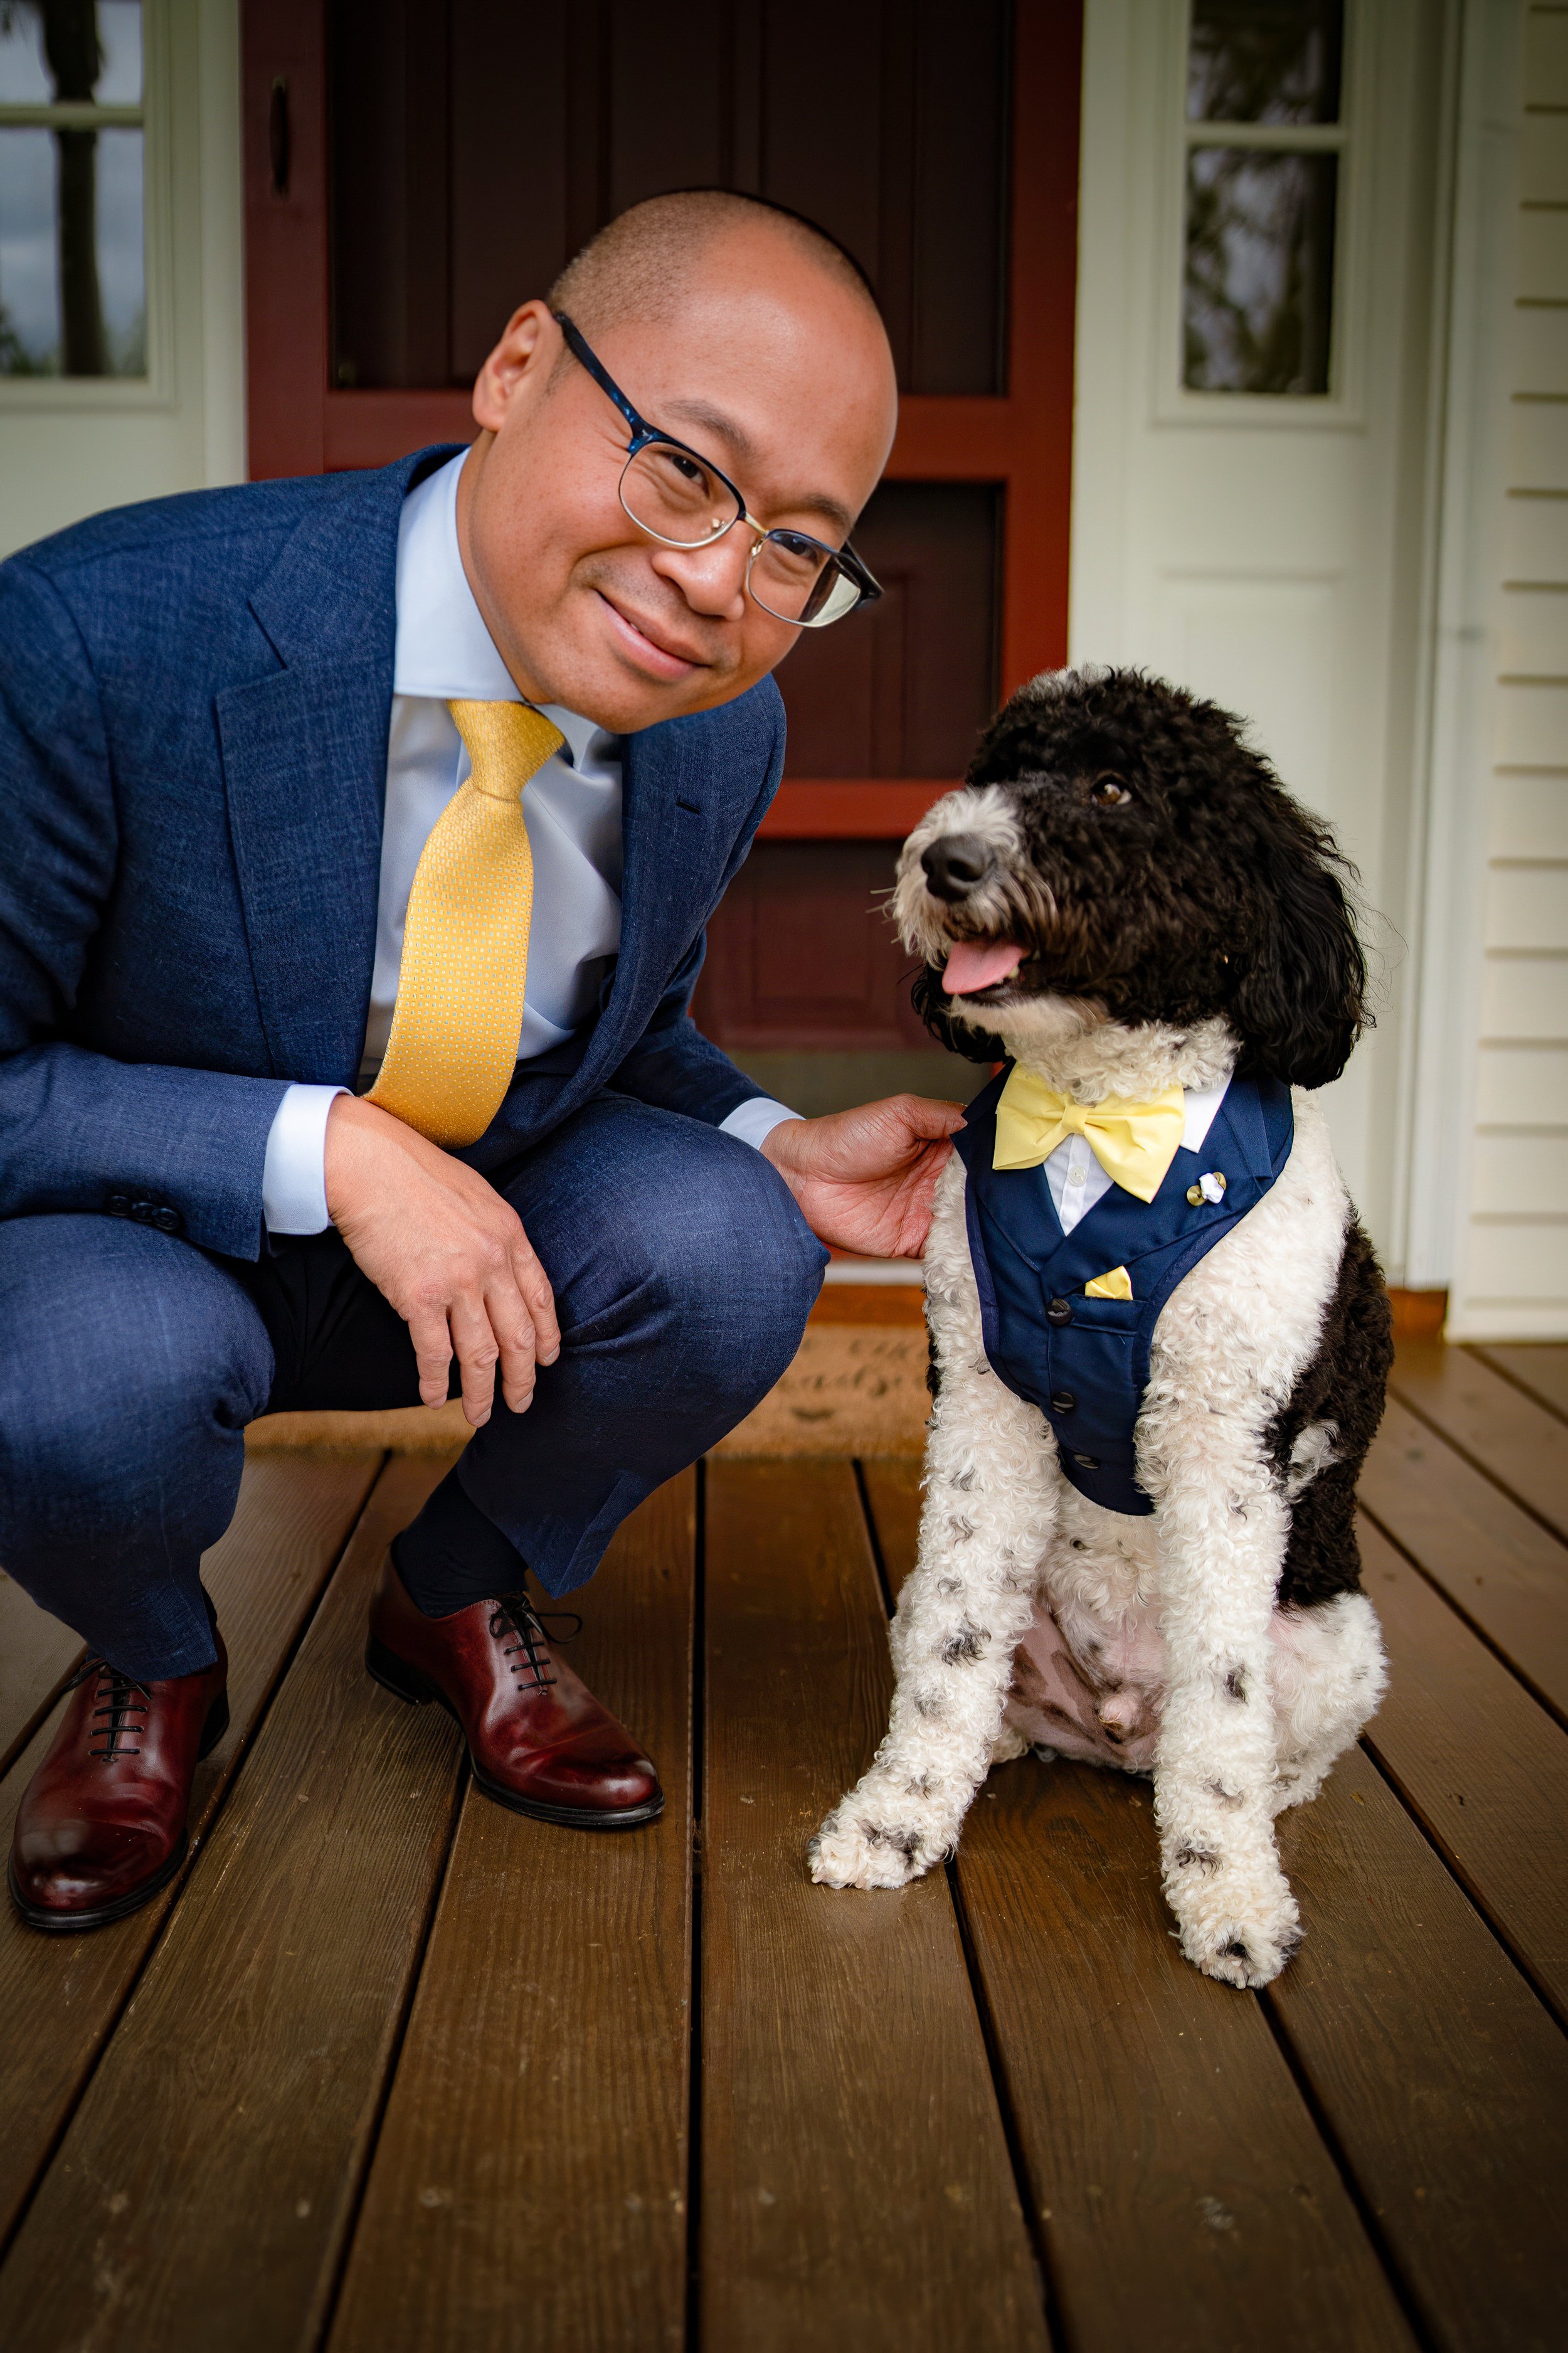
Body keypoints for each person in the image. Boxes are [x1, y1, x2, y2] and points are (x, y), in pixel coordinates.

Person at [0, 191, 963, 1932]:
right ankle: (151, 1653)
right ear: (519, 367)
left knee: (734, 1244)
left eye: (796, 549)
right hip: (135, 1239)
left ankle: (454, 1589)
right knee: (66, 1392)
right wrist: (339, 1156)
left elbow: (613, 1026)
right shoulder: (97, 633)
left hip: (482, 1240)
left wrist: (762, 1134)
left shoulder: (721, 721)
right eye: (685, 468)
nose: (713, 585)